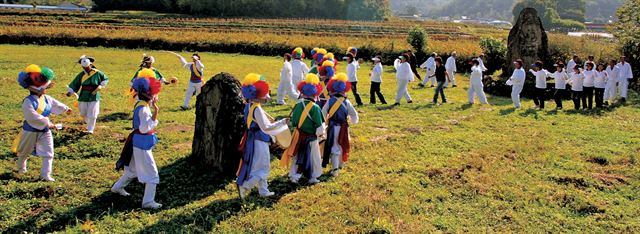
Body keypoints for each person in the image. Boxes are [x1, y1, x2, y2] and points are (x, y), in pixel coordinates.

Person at [111, 69, 163, 209]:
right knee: (152, 175)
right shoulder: (145, 109)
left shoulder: (140, 104)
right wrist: (156, 114)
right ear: (150, 95)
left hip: (137, 141)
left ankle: (117, 188)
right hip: (142, 143)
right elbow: (145, 128)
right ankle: (148, 202)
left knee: (132, 170)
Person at [13, 65, 72, 181]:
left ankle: (45, 174)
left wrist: (65, 109)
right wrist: (47, 122)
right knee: (24, 151)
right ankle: (21, 168)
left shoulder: (47, 98)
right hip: (30, 130)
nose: (46, 89)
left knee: (49, 152)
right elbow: (32, 117)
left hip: (45, 130)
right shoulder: (28, 101)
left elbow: (55, 104)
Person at [236, 73, 289, 199]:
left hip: (252, 139)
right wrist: (281, 122)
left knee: (259, 165)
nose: (266, 98)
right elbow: (266, 127)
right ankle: (245, 186)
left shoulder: (249, 105)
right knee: (263, 166)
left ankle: (263, 190)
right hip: (259, 140)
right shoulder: (257, 109)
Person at [281, 74, 325, 184]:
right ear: (315, 94)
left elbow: (294, 122)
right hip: (311, 137)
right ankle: (313, 177)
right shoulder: (315, 107)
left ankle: (294, 176)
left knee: (297, 156)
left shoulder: (298, 105)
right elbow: (320, 127)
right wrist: (320, 134)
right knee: (314, 157)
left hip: (298, 136)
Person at [322, 73, 359, 177]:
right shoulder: (347, 102)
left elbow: (322, 114)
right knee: (343, 144)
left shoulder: (329, 101)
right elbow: (354, 115)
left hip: (333, 128)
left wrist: (323, 126)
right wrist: (353, 121)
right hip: (344, 127)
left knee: (334, 148)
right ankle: (341, 164)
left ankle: (335, 169)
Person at [67, 55, 109, 134]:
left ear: (91, 64)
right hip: (83, 95)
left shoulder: (98, 73)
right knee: (83, 113)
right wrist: (70, 91)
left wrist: (100, 85)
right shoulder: (81, 75)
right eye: (84, 67)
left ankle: (90, 129)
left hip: (94, 95)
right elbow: (75, 83)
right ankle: (89, 123)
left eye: (87, 67)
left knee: (92, 114)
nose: (86, 68)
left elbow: (105, 79)